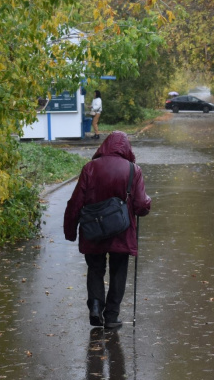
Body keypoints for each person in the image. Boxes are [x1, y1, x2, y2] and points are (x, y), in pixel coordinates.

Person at [64, 131, 151, 329]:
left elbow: (75, 202)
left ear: (104, 146)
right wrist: (147, 204)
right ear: (126, 148)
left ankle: (95, 306)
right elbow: (140, 206)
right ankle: (111, 316)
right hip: (122, 231)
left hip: (93, 231)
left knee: (95, 269)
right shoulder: (133, 170)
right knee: (118, 271)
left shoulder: (90, 168)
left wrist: (70, 230)